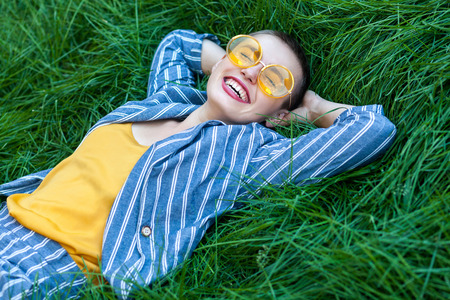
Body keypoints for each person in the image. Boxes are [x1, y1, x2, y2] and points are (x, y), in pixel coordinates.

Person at [0, 29, 396, 299]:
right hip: (8, 216)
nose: (252, 71)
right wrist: (227, 61)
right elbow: (177, 44)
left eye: (274, 80)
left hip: (49, 263)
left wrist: (312, 108)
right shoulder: (166, 98)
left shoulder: (244, 156)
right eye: (247, 53)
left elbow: (372, 131)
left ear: (277, 114)